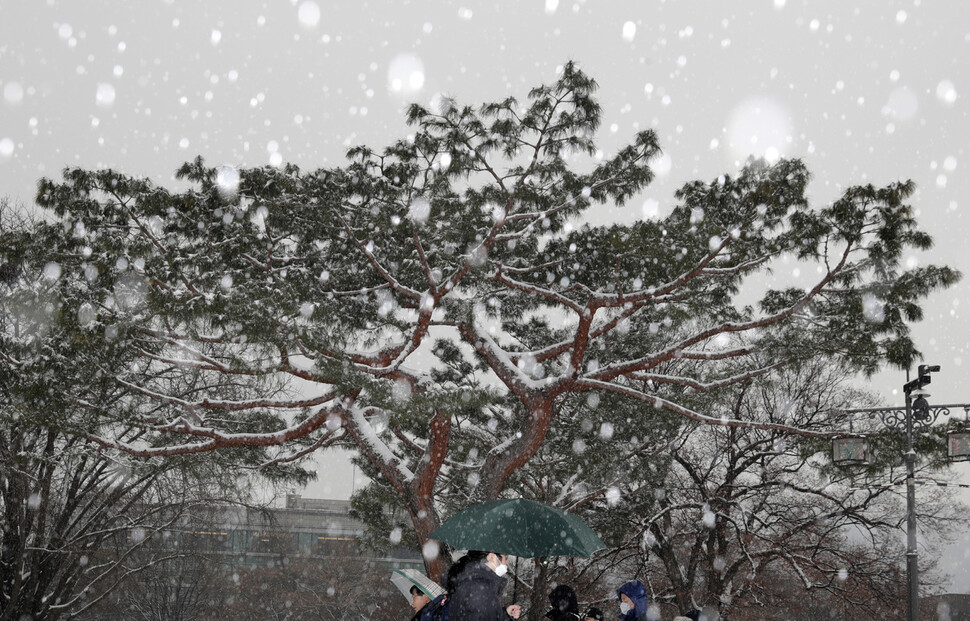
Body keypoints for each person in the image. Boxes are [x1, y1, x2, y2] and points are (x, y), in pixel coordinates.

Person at [446, 550, 522, 621]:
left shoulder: (475, 580)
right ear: (492, 557)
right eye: (506, 557)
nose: (507, 561)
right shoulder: (480, 588)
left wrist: (506, 614)